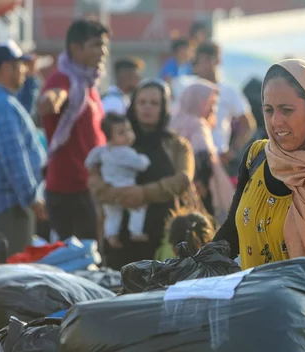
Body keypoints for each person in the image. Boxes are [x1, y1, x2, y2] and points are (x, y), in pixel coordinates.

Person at [213, 59, 305, 269]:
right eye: (268, 110)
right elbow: (231, 232)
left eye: (287, 110)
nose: (276, 122)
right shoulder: (256, 156)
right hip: (250, 298)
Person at [88, 79, 205, 269]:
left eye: (154, 103)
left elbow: (183, 179)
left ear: (164, 107)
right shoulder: (116, 142)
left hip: (165, 235)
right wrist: (120, 195)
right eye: (141, 102)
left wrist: (144, 193)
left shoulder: (177, 144)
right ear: (133, 106)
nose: (147, 108)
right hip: (123, 235)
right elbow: (94, 180)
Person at [37, 19, 109, 241]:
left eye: (104, 45)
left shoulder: (88, 84)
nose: (103, 51)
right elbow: (54, 95)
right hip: (69, 191)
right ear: (76, 48)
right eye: (96, 45)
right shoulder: (63, 79)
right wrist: (51, 100)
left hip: (89, 187)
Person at [0, 41, 47, 255]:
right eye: (20, 65)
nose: (24, 71)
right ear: (6, 68)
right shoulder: (3, 105)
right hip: (8, 207)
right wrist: (32, 198)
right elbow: (13, 158)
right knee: (11, 277)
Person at [170, 79, 234, 224]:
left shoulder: (173, 120)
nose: (212, 110)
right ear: (198, 102)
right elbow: (202, 156)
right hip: (198, 188)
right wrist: (202, 183)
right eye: (210, 104)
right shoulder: (197, 124)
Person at [85, 113, 151, 249]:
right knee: (139, 207)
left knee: (113, 215)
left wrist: (95, 168)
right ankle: (135, 231)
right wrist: (145, 158)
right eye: (121, 133)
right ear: (110, 136)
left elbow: (89, 161)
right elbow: (141, 164)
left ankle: (111, 236)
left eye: (128, 130)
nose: (127, 135)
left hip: (108, 189)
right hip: (126, 188)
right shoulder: (126, 152)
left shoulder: (102, 150)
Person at [192, 41, 256, 165]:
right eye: (201, 61)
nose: (205, 65)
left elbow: (248, 124)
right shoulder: (189, 90)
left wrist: (232, 151)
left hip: (219, 159)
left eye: (208, 60)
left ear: (217, 60)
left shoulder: (229, 91)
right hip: (193, 158)